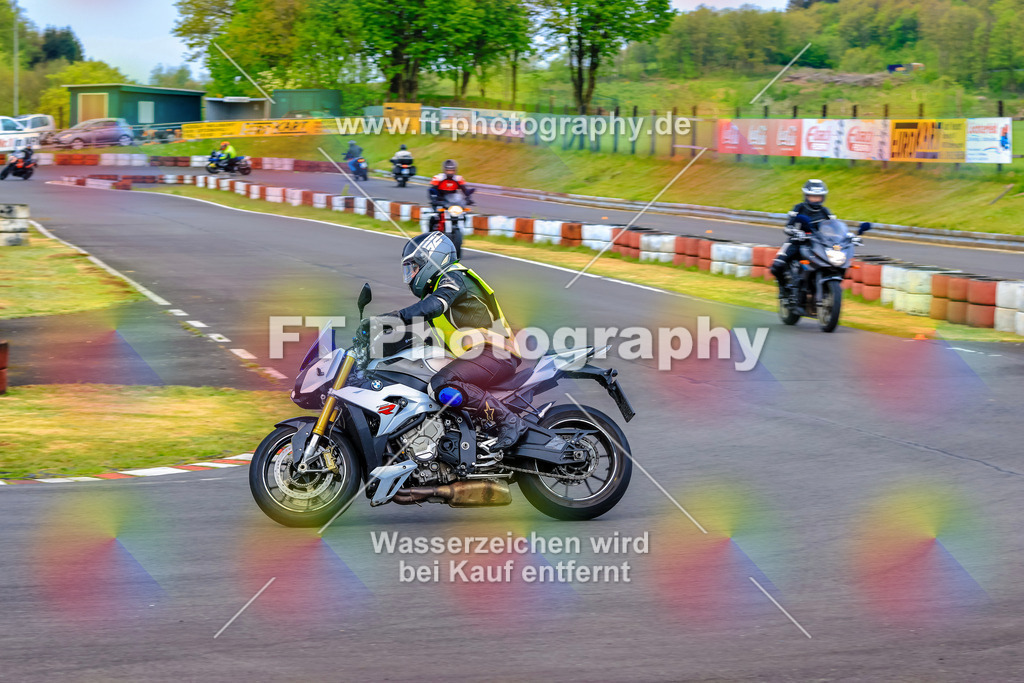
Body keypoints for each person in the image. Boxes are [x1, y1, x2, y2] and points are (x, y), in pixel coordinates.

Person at [367, 231, 525, 451]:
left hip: (496, 354)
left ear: (432, 259)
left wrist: (393, 318)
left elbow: (432, 306)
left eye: (414, 267)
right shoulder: (440, 290)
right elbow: (425, 338)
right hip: (478, 356)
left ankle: (508, 420)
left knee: (440, 383)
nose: (411, 275)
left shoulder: (453, 278)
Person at [771, 179, 836, 314]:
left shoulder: (826, 212)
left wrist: (846, 236)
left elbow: (835, 227)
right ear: (806, 196)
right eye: (813, 196)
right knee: (777, 265)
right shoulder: (799, 208)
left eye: (818, 197)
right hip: (797, 242)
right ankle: (784, 290)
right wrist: (795, 231)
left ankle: (822, 291)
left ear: (823, 197)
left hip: (818, 244)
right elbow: (788, 226)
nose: (815, 200)